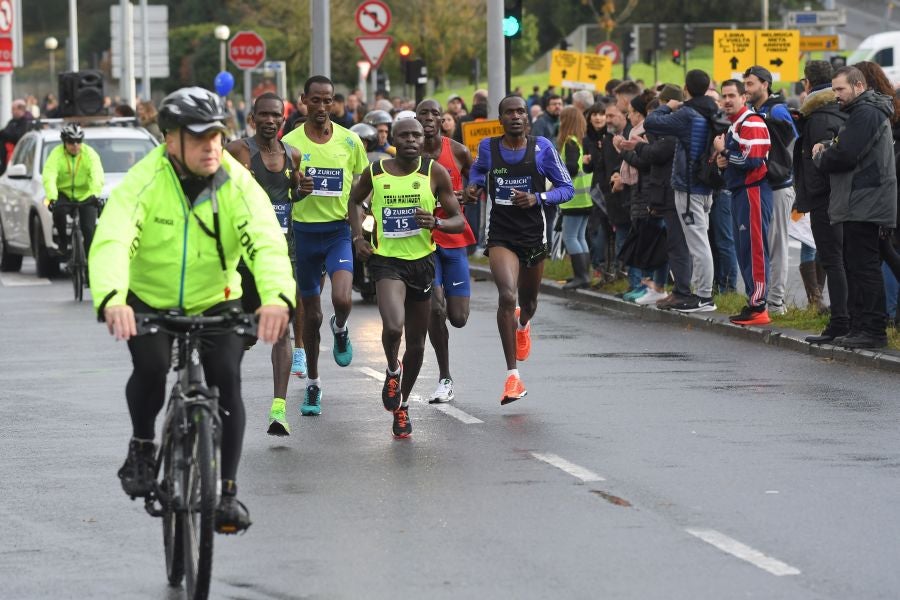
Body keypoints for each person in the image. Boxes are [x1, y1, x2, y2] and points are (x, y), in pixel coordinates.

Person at [89, 87, 295, 533]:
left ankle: (227, 493)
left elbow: (266, 242)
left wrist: (278, 297)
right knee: (152, 364)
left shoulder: (236, 182)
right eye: (199, 138)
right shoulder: (144, 180)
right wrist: (112, 298)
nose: (211, 147)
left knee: (227, 376)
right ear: (170, 140)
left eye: (217, 136)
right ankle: (144, 445)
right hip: (149, 298)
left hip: (215, 296)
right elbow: (113, 239)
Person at [348, 118, 465, 437]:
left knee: (416, 346)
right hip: (387, 262)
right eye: (405, 135)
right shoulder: (377, 171)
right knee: (393, 325)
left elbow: (458, 218)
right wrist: (358, 237)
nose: (412, 139)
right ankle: (391, 368)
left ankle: (402, 407)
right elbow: (354, 200)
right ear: (393, 139)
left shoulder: (434, 172)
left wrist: (437, 224)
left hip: (422, 262)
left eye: (416, 134)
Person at [467, 95, 574, 404]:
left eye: (520, 112)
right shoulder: (488, 147)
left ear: (527, 119)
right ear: (500, 119)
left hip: (532, 234)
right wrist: (474, 186)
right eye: (508, 112)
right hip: (500, 233)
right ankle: (512, 377)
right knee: (507, 296)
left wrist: (537, 198)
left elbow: (566, 188)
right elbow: (477, 172)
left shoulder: (542, 148)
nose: (515, 116)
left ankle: (524, 324)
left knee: (527, 304)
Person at [225, 92, 314, 435]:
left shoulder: (293, 155)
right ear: (253, 118)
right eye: (264, 114)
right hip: (243, 257)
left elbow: (291, 196)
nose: (270, 120)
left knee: (282, 330)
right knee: (242, 334)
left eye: (276, 115)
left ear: (283, 118)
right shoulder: (237, 152)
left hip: (281, 255)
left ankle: (279, 409)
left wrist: (301, 190)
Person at [282, 76, 369, 415]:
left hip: (337, 232)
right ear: (303, 100)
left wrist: (361, 228)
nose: (321, 107)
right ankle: (313, 386)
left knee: (342, 298)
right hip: (304, 233)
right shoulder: (289, 144)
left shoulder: (350, 141)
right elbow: (282, 192)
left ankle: (342, 326)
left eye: (327, 100)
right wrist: (297, 190)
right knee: (311, 316)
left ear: (335, 102)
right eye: (314, 100)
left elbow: (362, 187)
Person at [813, 66, 897, 348]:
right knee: (856, 265)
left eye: (840, 90)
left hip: (866, 200)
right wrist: (830, 147)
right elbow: (844, 146)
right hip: (859, 199)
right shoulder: (860, 112)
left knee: (865, 267)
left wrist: (821, 157)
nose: (836, 95)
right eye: (834, 90)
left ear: (859, 86)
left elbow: (846, 155)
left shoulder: (867, 112)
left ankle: (873, 330)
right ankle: (860, 326)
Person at [644, 69, 720, 312]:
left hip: (688, 187)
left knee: (697, 243)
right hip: (706, 184)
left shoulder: (688, 114)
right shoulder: (713, 111)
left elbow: (652, 122)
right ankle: (697, 293)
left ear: (686, 89)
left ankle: (703, 296)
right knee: (701, 239)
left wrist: (668, 106)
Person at [416, 99, 475, 402]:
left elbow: (478, 177)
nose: (428, 118)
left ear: (443, 119)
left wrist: (471, 192)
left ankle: (456, 301)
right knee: (435, 309)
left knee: (459, 317)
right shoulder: (410, 156)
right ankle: (445, 377)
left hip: (454, 241)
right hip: (424, 244)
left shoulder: (458, 151)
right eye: (423, 113)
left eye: (434, 114)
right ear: (415, 119)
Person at [793, 60, 848, 342]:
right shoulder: (834, 110)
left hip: (826, 200)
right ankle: (846, 318)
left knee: (833, 258)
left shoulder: (819, 116)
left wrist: (812, 196)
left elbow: (822, 163)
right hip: (836, 198)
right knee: (840, 258)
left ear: (807, 84)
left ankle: (840, 321)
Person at [714, 79, 773, 326]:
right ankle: (753, 301)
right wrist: (721, 163)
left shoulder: (752, 122)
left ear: (743, 97)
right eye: (723, 96)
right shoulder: (734, 125)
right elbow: (738, 160)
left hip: (754, 192)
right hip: (740, 192)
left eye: (731, 95)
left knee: (755, 248)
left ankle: (759, 305)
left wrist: (725, 153)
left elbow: (754, 160)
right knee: (743, 249)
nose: (727, 101)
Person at [743, 66, 799, 315]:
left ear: (765, 84)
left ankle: (776, 302)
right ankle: (763, 298)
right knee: (763, 244)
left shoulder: (777, 109)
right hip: (763, 186)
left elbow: (793, 143)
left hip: (778, 185)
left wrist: (782, 170)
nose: (747, 89)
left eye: (751, 84)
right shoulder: (754, 111)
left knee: (777, 246)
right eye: (745, 84)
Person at [42, 123, 104, 264]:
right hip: (64, 193)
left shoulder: (89, 154)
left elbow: (97, 174)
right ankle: (64, 242)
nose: (75, 145)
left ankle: (90, 264)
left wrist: (95, 194)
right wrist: (52, 197)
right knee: (58, 212)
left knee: (89, 230)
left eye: (78, 141)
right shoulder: (56, 155)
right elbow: (49, 175)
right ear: (64, 142)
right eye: (71, 142)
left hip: (86, 194)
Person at [557, 105, 593, 289]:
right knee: (579, 237)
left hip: (573, 199)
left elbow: (571, 168)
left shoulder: (570, 142)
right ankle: (584, 276)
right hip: (585, 198)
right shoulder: (579, 141)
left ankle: (582, 276)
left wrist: (556, 171)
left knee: (570, 237)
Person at [0, 99, 33, 173]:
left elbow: (19, 137)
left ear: (20, 109)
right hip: (6, 160)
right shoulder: (12, 122)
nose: (11, 112)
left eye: (13, 109)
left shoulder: (27, 122)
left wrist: (4, 134)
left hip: (17, 161)